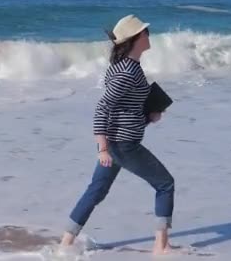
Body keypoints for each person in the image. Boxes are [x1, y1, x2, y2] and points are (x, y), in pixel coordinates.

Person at [60, 14, 175, 255]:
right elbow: (103, 107)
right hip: (124, 145)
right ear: (135, 39)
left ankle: (65, 245)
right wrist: (102, 148)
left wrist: (149, 116)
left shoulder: (125, 66)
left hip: (118, 142)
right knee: (165, 184)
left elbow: (124, 109)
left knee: (96, 191)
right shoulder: (128, 73)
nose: (149, 35)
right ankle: (161, 246)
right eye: (145, 32)